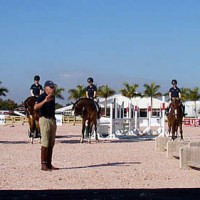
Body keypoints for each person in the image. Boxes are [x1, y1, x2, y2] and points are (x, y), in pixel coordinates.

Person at [34, 80, 59, 171]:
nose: (52, 89)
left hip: (52, 120)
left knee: (51, 142)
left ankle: (49, 163)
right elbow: (35, 107)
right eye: (51, 87)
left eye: (53, 87)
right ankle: (43, 164)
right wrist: (44, 101)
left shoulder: (53, 97)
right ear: (46, 88)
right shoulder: (42, 96)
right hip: (44, 120)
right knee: (45, 141)